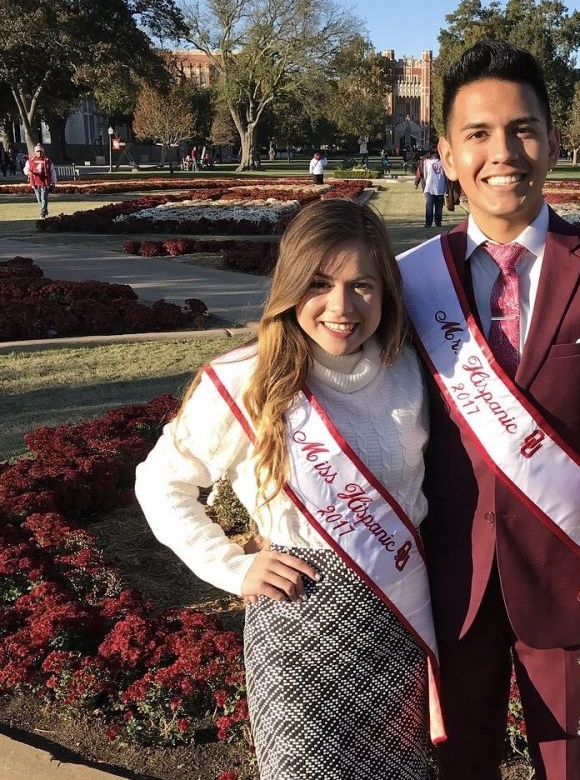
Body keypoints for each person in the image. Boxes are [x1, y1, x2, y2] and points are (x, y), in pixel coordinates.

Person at [396, 39, 580, 779]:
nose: (504, 152)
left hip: (567, 580)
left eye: (523, 129)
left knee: (570, 771)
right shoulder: (408, 286)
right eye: (479, 134)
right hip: (448, 584)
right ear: (448, 156)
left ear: (553, 141)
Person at [135, 199, 444, 780]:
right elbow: (160, 483)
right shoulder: (244, 380)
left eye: (363, 286)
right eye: (320, 284)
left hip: (394, 614)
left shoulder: (410, 370)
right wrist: (230, 566)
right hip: (296, 623)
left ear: (386, 292)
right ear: (291, 285)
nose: (342, 307)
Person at [23, 143, 57, 219]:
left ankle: (42, 214)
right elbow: (25, 169)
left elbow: (52, 172)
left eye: (41, 151)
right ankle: (45, 210)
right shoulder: (30, 161)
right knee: (39, 199)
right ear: (35, 152)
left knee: (43, 198)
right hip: (35, 183)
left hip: (45, 183)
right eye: (38, 151)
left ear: (43, 152)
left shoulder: (48, 161)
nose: (39, 153)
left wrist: (53, 182)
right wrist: (28, 172)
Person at [422, 149, 446, 228]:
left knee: (435, 208)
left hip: (435, 188)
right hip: (434, 188)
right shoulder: (428, 162)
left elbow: (425, 176)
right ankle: (431, 223)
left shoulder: (442, 162)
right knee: (433, 207)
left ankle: (435, 223)